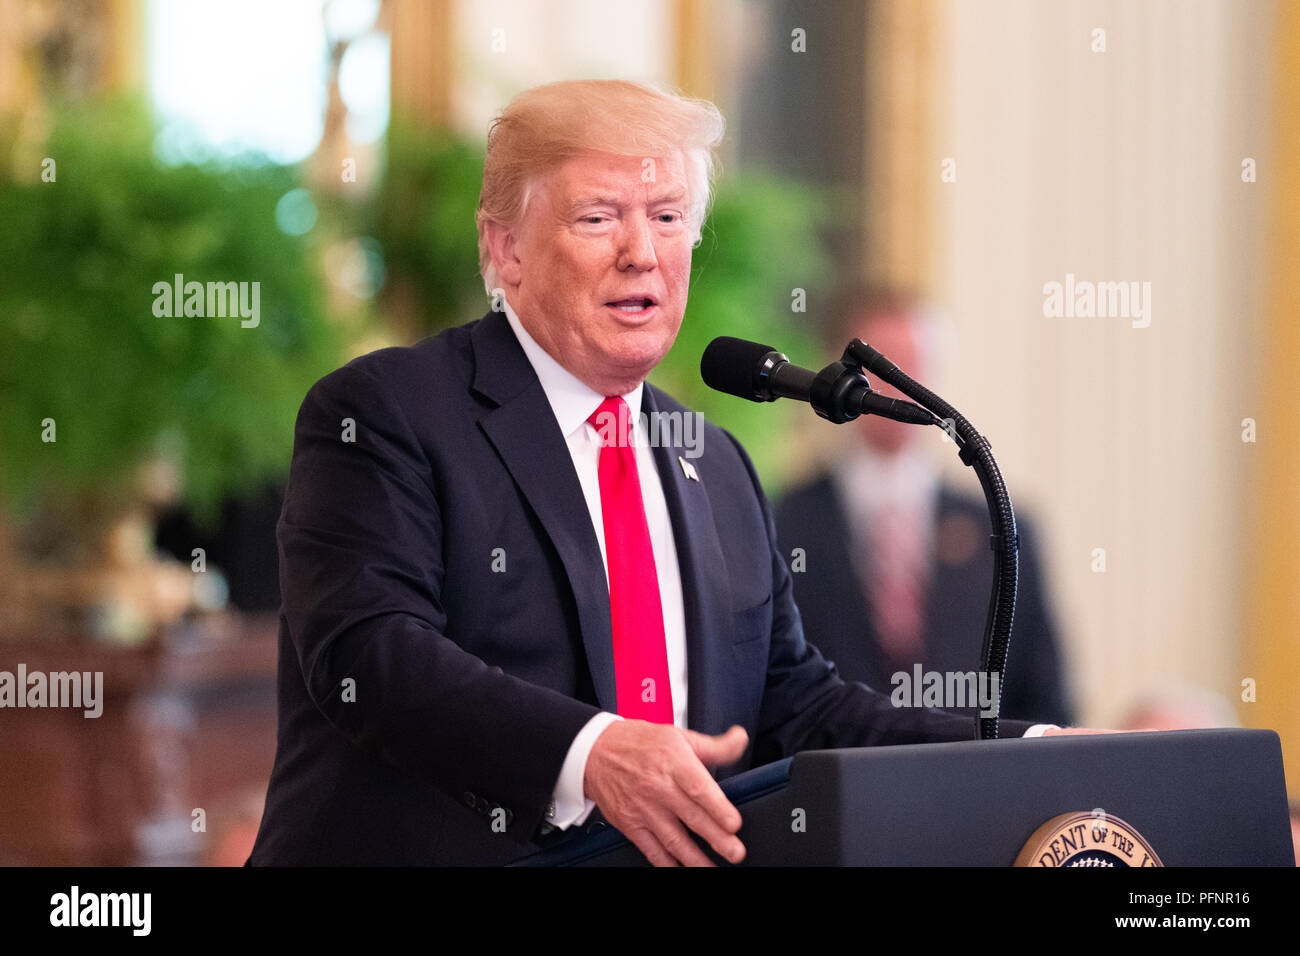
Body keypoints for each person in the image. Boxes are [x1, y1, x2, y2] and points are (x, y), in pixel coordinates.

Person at [248, 80, 1080, 868]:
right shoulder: (389, 413)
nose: (642, 253)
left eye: (669, 215)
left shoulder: (711, 462)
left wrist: (1029, 754)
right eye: (599, 217)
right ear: (506, 250)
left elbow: (798, 708)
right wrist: (591, 754)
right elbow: (369, 655)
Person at [775, 289, 1073, 726]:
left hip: (972, 778)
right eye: (881, 366)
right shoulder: (785, 521)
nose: (896, 386)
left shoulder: (1001, 521)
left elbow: (1045, 692)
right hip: (835, 777)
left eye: (912, 365)